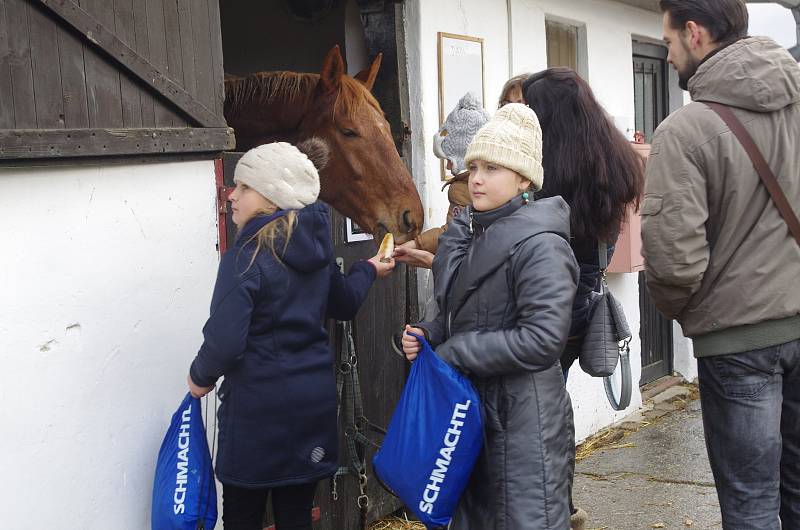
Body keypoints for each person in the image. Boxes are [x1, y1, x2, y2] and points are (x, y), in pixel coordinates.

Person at [641, 1, 800, 528]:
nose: (667, 57)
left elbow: (671, 258)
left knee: (751, 503)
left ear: (694, 33)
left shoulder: (685, 130)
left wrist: (692, 315)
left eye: (666, 43)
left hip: (737, 341)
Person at [186, 139, 395, 530]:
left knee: (244, 516)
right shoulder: (315, 250)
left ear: (270, 197)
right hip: (310, 411)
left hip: (256, 415)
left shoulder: (244, 257)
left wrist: (200, 378)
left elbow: (226, 341)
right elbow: (345, 302)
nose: (233, 195)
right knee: (296, 516)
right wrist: (367, 269)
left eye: (244, 187)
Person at [402, 103, 579, 529]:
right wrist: (429, 332)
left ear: (523, 179)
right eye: (474, 166)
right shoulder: (469, 232)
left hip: (524, 423)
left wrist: (455, 352)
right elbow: (460, 309)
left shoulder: (542, 245)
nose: (477, 178)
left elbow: (542, 340)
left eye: (493, 168)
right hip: (472, 417)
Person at [522, 67, 644, 530]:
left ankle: (551, 507)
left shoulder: (544, 178)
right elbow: (604, 247)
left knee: (532, 414)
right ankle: (563, 505)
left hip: (540, 311)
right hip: (579, 311)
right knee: (552, 405)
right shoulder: (611, 167)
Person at [394, 92, 489, 269]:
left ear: (464, 158)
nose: (447, 168)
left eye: (449, 160)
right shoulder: (498, 184)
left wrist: (416, 244)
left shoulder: (462, 188)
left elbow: (454, 233)